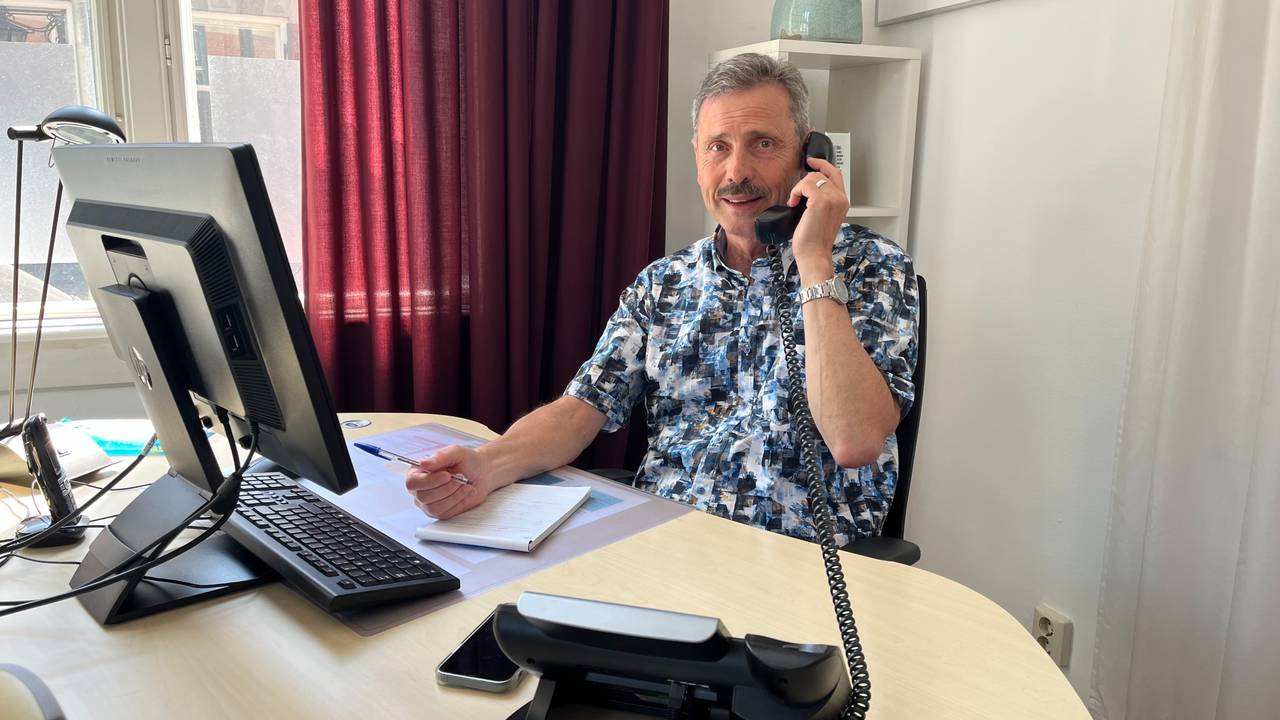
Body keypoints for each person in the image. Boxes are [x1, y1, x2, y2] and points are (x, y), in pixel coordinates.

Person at [407, 53, 919, 545]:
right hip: (666, 543)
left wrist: (813, 262)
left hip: (800, 560)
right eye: (718, 147)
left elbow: (855, 442)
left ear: (810, 155)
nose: (736, 172)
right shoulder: (665, 281)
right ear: (698, 157)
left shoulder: (873, 267)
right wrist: (487, 465)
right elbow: (581, 408)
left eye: (763, 144)